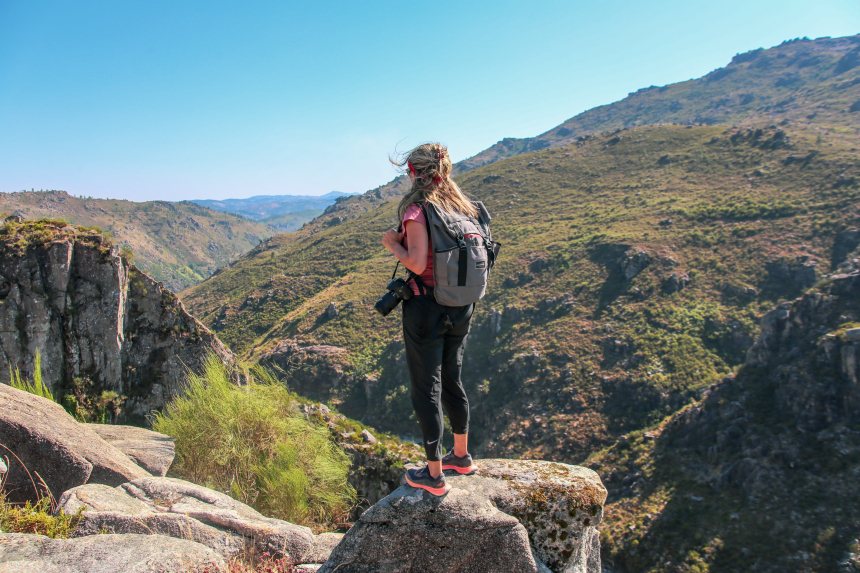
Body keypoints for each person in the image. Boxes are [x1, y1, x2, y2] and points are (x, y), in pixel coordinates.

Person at [381, 142, 480, 496]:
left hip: (427, 308)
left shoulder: (417, 209)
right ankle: (461, 456)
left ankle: (433, 475)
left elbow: (418, 263)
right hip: (462, 306)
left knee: (427, 387)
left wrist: (393, 243)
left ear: (413, 172)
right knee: (453, 378)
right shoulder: (463, 207)